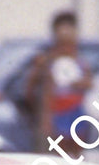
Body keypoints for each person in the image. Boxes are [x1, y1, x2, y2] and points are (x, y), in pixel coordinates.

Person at [28, 11, 90, 144]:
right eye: (62, 44)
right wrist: (46, 119)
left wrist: (79, 83)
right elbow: (45, 92)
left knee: (77, 144)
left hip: (75, 108)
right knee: (60, 145)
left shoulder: (79, 62)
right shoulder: (50, 63)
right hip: (58, 110)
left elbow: (88, 82)